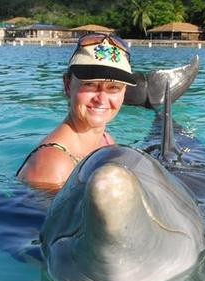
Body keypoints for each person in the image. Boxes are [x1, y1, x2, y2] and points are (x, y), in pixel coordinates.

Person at [16, 33, 136, 191]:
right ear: (67, 85)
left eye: (114, 88)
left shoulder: (106, 140)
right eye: (90, 85)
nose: (101, 98)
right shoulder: (54, 165)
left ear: (124, 92)